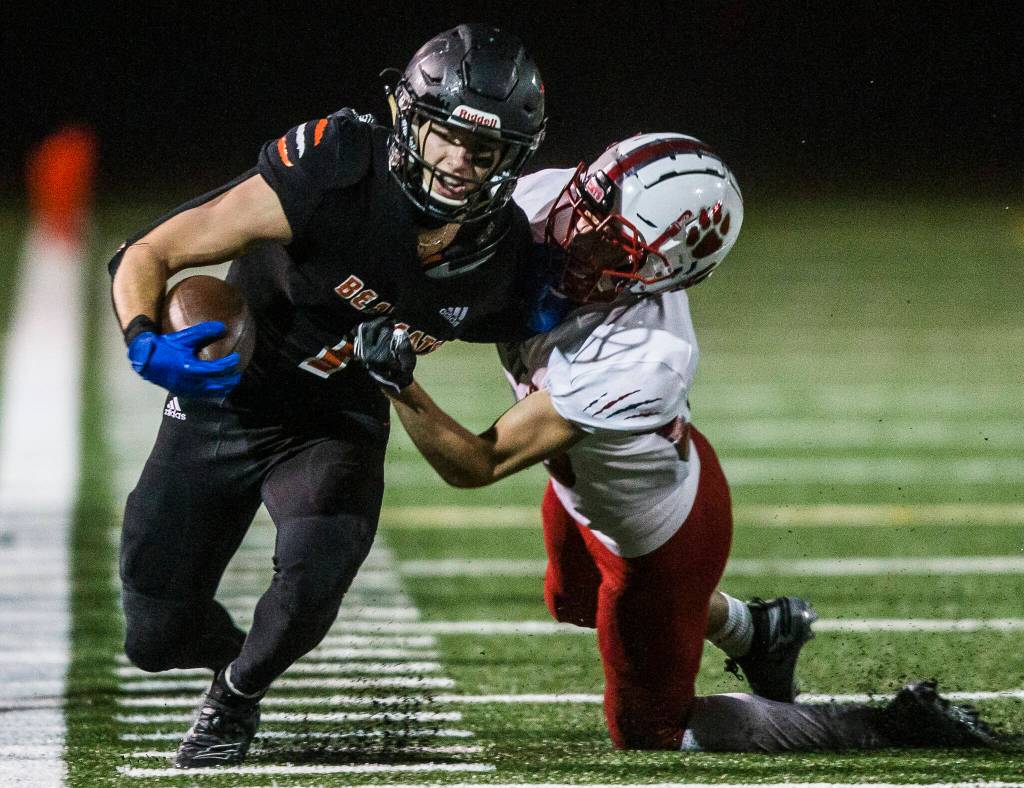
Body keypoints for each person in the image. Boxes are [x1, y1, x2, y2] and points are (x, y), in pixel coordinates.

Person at [352, 133, 1000, 752]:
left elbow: (478, 463)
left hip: (660, 543)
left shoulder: (644, 360)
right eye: (587, 209)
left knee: (652, 735)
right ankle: (755, 629)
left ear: (660, 273)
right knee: (570, 601)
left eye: (609, 244)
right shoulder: (543, 199)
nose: (574, 237)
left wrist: (397, 379)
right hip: (589, 485)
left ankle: (875, 725)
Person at [109, 24, 549, 768]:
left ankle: (238, 696)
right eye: (444, 134)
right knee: (154, 636)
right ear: (408, 117)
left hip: (333, 418)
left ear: (515, 159)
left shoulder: (504, 259)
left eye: (485, 150)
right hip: (229, 397)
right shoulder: (336, 168)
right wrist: (145, 339)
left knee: (318, 569)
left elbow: (559, 356)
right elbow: (152, 250)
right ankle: (222, 656)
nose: (457, 162)